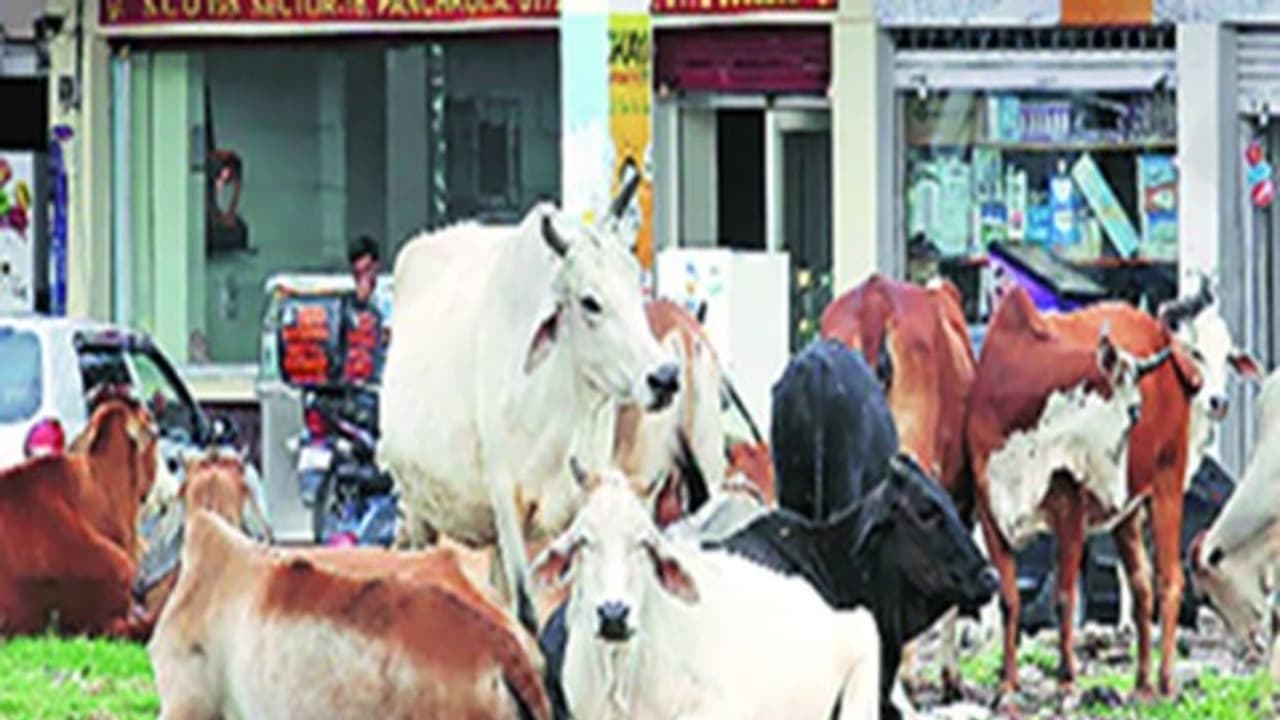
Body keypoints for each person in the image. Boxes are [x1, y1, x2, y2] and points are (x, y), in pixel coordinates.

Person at [340, 235, 387, 389]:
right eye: (357, 274)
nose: (363, 279)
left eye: (367, 270)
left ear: (377, 266)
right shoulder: (348, 306)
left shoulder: (391, 296)